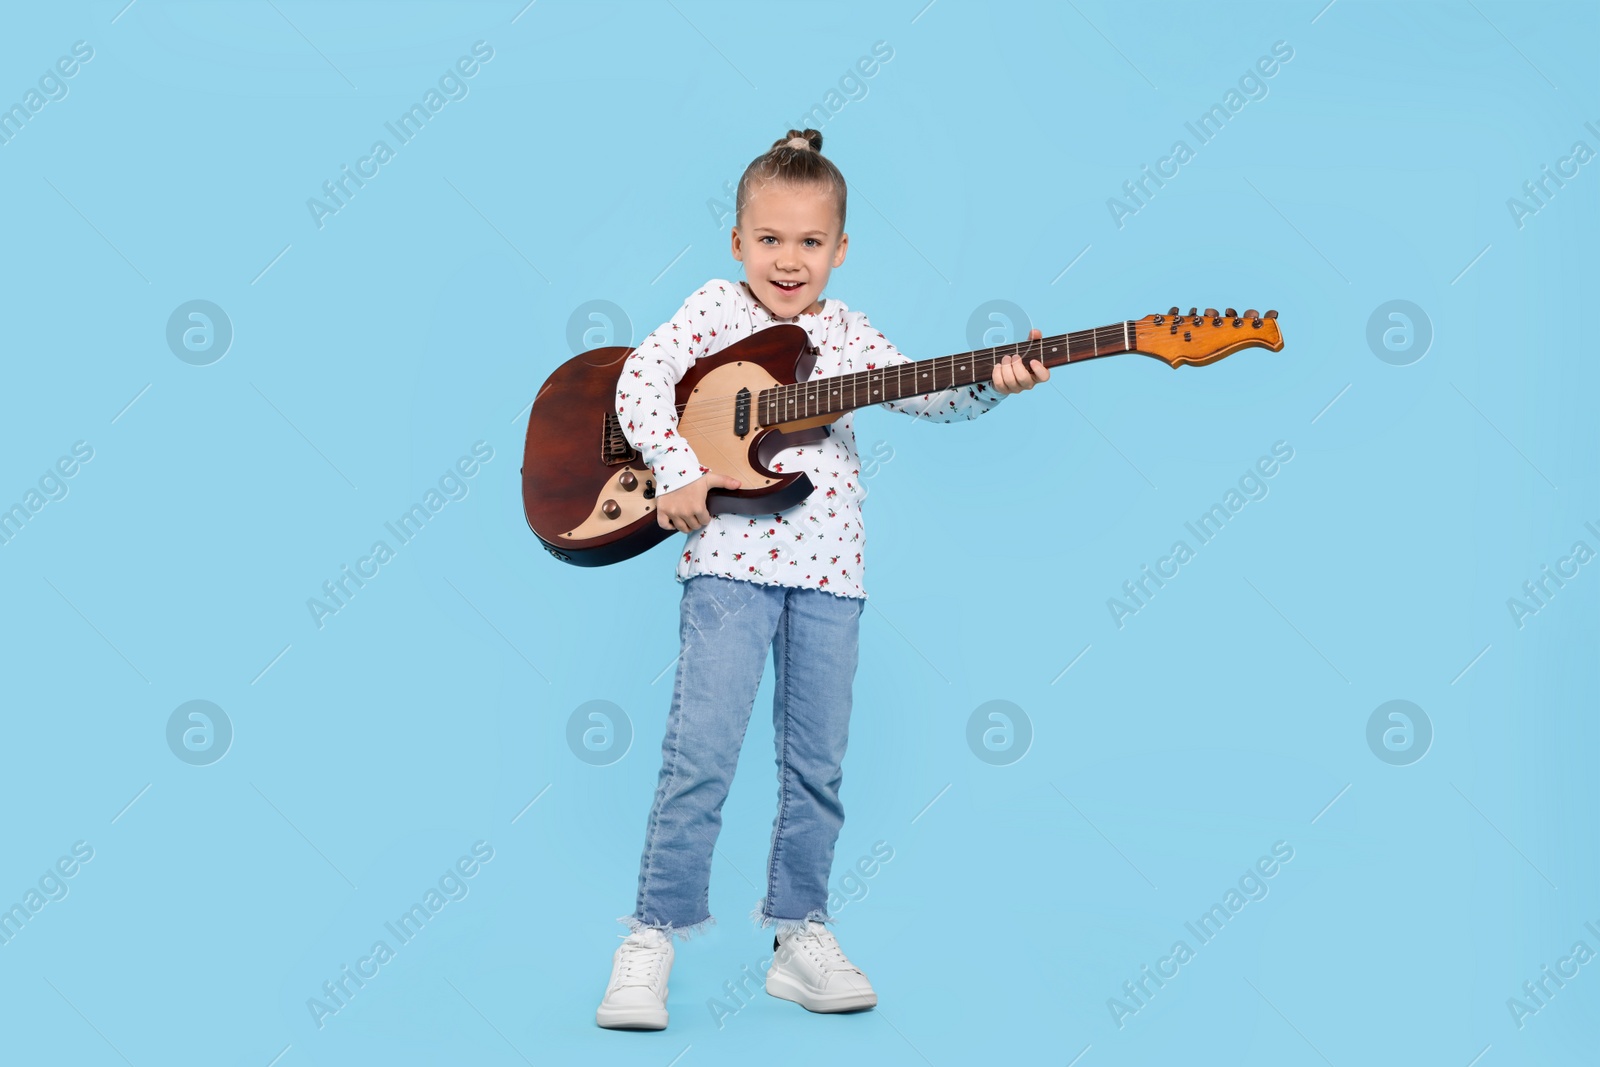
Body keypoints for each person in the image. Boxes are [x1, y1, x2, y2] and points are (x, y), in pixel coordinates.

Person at [595, 128, 1048, 1031]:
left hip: (833, 573)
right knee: (701, 758)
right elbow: (640, 380)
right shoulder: (715, 311)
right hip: (730, 561)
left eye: (810, 242)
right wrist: (679, 464)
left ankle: (799, 930)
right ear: (736, 242)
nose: (788, 260)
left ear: (840, 250)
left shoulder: (848, 336)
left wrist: (993, 382)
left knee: (818, 769)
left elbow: (925, 393)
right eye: (770, 239)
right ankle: (651, 934)